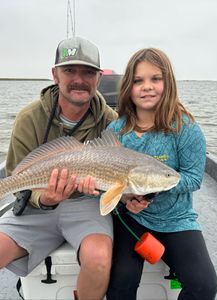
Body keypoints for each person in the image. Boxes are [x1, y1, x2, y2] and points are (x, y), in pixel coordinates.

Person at [0, 36, 117, 300]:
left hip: (86, 203)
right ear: (55, 75)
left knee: (99, 259)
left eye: (88, 72)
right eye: (69, 70)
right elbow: (17, 180)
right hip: (34, 204)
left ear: (98, 78)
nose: (79, 79)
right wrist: (46, 198)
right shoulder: (29, 118)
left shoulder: (111, 121)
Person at [106, 48, 217, 300]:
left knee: (204, 285)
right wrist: (126, 199)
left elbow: (192, 177)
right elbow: (109, 180)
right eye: (138, 80)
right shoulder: (116, 130)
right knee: (122, 280)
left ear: (168, 83)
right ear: (128, 87)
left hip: (177, 220)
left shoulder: (186, 128)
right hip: (131, 220)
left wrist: (151, 191)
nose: (147, 87)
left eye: (155, 79)